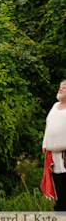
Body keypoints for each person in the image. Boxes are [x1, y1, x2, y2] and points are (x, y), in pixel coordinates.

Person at [43, 81, 66, 210]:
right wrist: (45, 143)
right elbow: (49, 126)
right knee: (58, 186)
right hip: (54, 156)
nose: (61, 89)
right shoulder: (55, 106)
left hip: (65, 155)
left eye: (64, 87)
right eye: (60, 87)